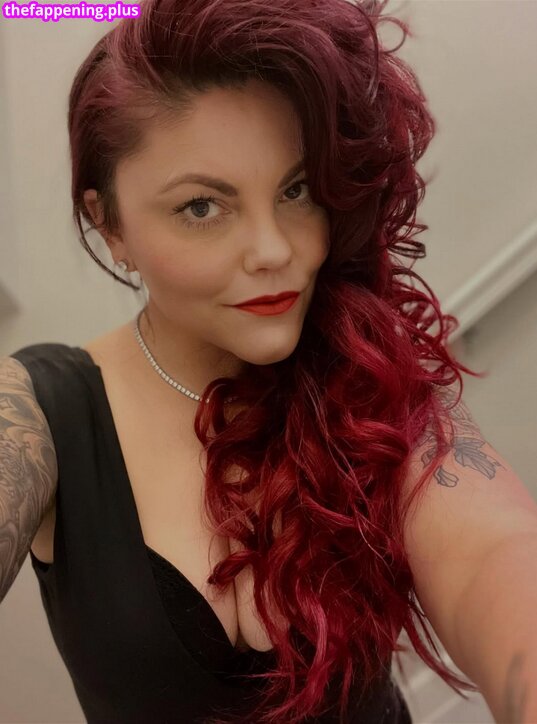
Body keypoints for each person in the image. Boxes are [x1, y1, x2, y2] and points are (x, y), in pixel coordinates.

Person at [2, 0, 537, 722]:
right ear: (110, 226)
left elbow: (491, 554)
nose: (274, 250)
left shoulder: (366, 372)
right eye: (202, 207)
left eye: (295, 189)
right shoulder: (38, 408)